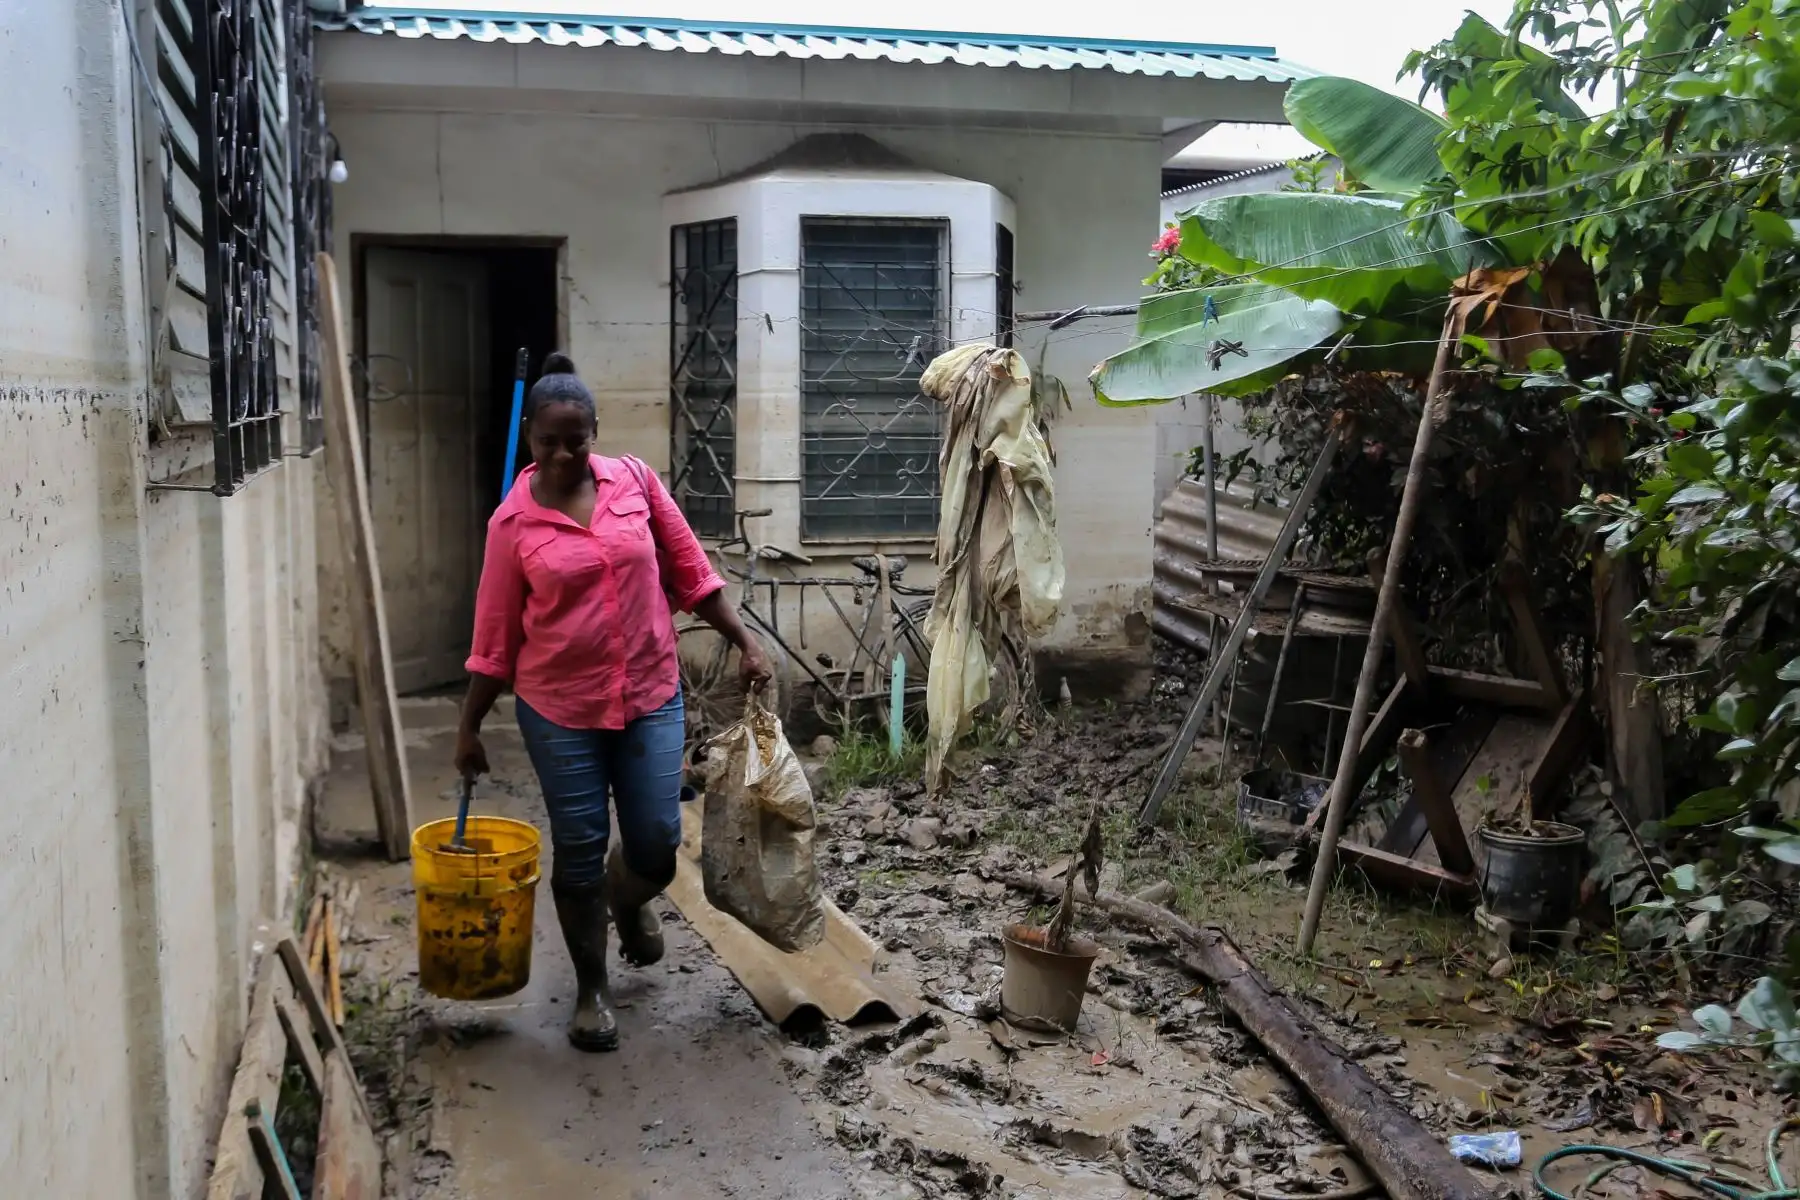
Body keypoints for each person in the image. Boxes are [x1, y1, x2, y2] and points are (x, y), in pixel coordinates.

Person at [453, 351, 770, 1052]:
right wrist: (468, 726)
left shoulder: (635, 483)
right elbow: (494, 640)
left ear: (594, 432)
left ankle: (626, 903)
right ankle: (592, 989)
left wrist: (745, 643)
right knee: (579, 848)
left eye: (576, 440)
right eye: (549, 441)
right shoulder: (512, 525)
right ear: (530, 438)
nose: (563, 454)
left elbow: (692, 573)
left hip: (650, 694)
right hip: (559, 710)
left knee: (656, 845)